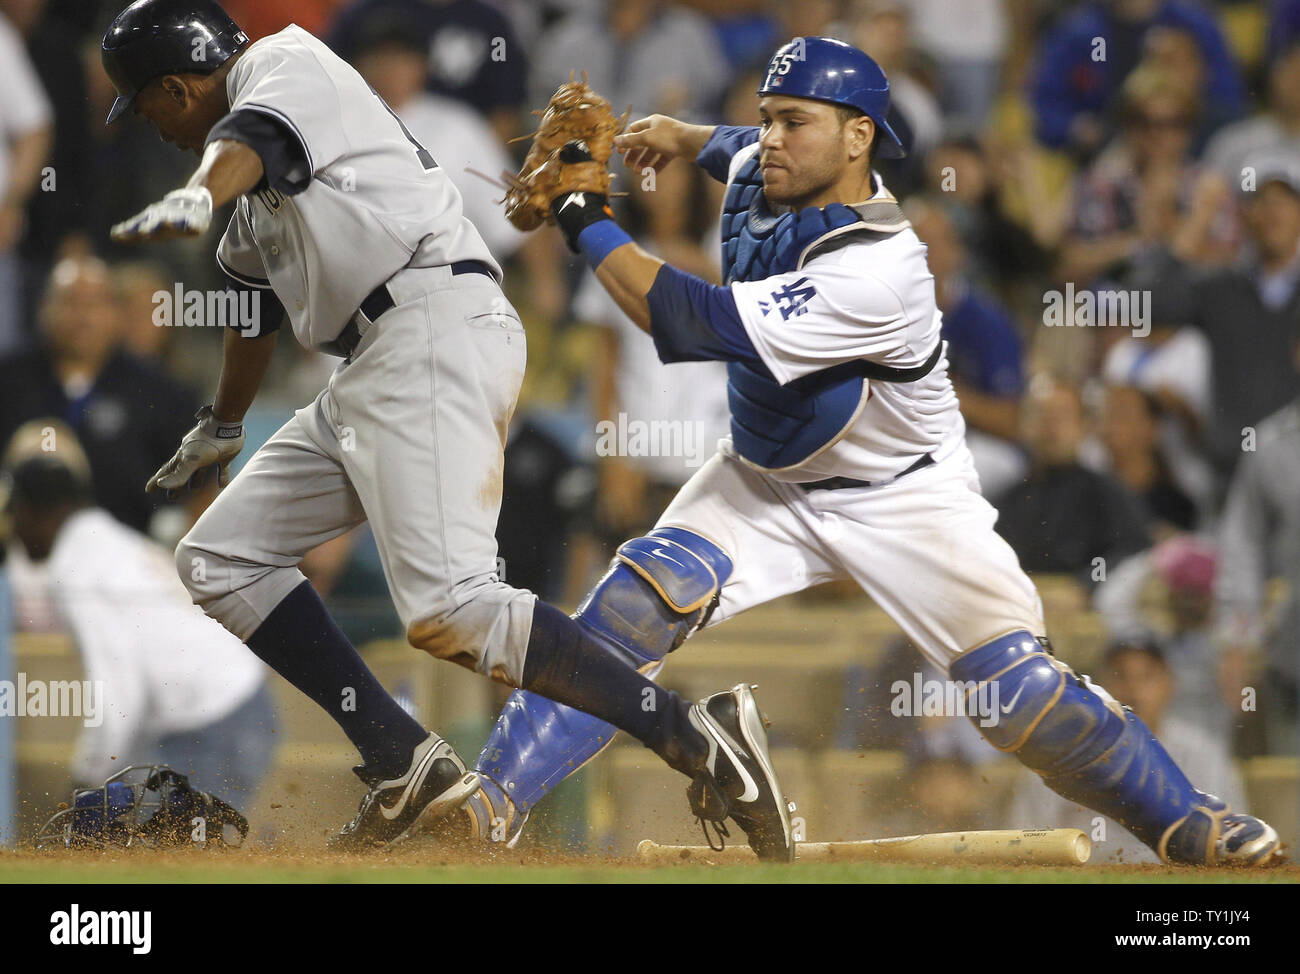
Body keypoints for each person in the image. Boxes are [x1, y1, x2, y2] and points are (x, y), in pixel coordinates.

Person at [440, 35, 1282, 866]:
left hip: (902, 496)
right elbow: (730, 148)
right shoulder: (763, 166)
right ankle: (486, 805)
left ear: (858, 138)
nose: (770, 136)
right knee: (631, 607)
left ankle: (1189, 826)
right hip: (765, 480)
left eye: (794, 121)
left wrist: (583, 216)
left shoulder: (880, 268)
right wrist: (678, 132)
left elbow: (689, 321)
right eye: (767, 117)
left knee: (1019, 700)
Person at [99, 0, 791, 858]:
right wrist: (222, 423)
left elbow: (253, 140)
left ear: (177, 84)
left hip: (430, 324)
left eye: (149, 106)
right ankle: (403, 765)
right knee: (218, 557)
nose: (151, 127)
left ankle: (697, 737)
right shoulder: (251, 204)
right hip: (372, 368)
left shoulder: (283, 66)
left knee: (450, 611)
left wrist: (199, 190)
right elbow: (250, 311)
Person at [2, 419, 273, 800]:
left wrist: (84, 782)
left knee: (173, 850)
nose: (14, 530)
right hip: (223, 708)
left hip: (215, 717)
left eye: (16, 515)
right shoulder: (101, 539)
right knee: (146, 838)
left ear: (35, 510)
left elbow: (117, 698)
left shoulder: (76, 565)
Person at [0, 254, 201, 536]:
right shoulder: (8, 381)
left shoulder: (163, 392)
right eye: (70, 302)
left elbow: (202, 485)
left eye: (94, 304)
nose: (83, 317)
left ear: (116, 314)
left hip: (130, 561)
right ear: (44, 309)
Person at [1010, 639, 1245, 864]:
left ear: (1169, 684)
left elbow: (1232, 840)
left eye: (1147, 677)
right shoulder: (1059, 753)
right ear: (1096, 686)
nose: (1134, 690)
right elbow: (1025, 844)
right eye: (1120, 676)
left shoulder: (1202, 753)